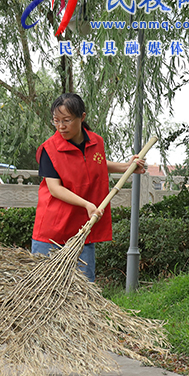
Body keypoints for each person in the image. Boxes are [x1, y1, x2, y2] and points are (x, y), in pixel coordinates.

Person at [32, 93, 146, 282]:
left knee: (84, 288)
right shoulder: (49, 149)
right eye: (56, 121)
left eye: (66, 120)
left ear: (82, 117)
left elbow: (96, 163)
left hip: (82, 229)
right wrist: (87, 204)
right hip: (52, 230)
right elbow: (55, 188)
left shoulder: (96, 142)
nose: (61, 126)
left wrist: (127, 167)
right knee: (45, 286)